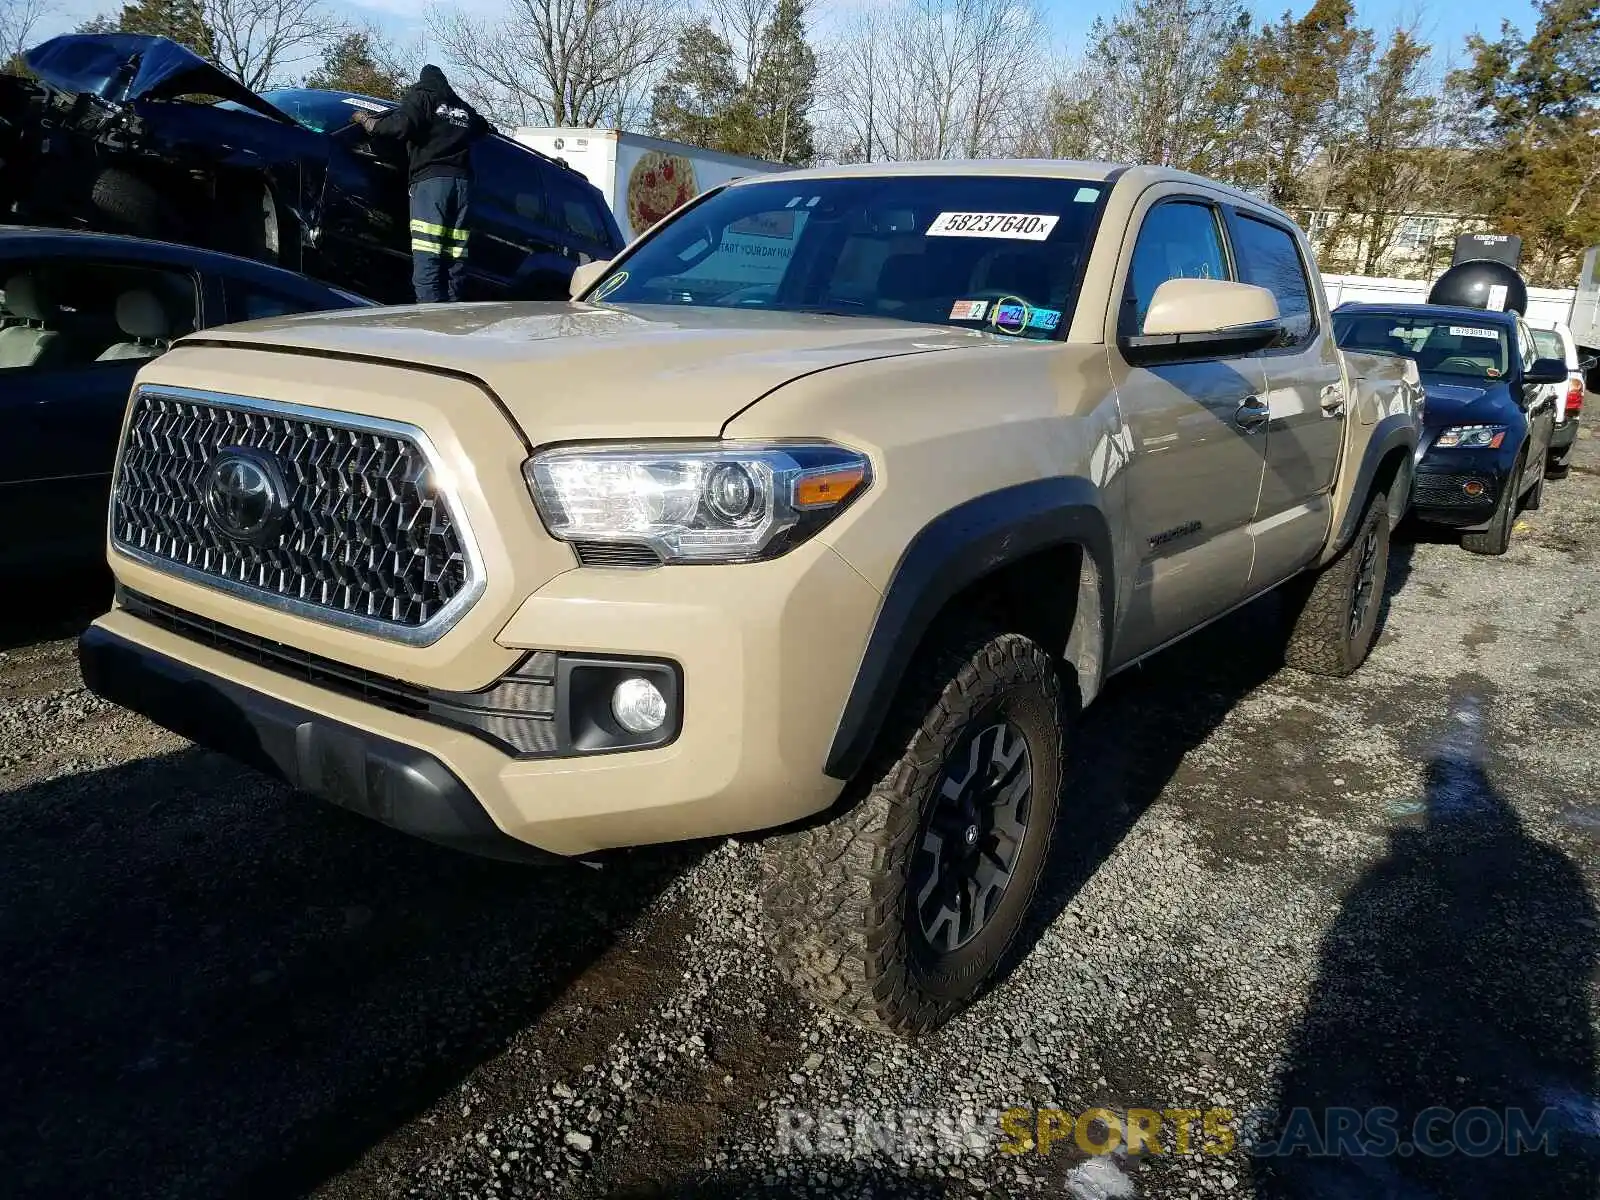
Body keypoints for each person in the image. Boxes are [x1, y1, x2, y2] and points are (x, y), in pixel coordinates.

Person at [352, 66, 490, 303]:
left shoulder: (423, 97)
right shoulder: (461, 108)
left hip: (432, 185)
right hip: (463, 187)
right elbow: (483, 126)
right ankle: (450, 313)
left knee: (428, 253)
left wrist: (366, 121)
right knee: (455, 256)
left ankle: (428, 319)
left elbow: (399, 126)